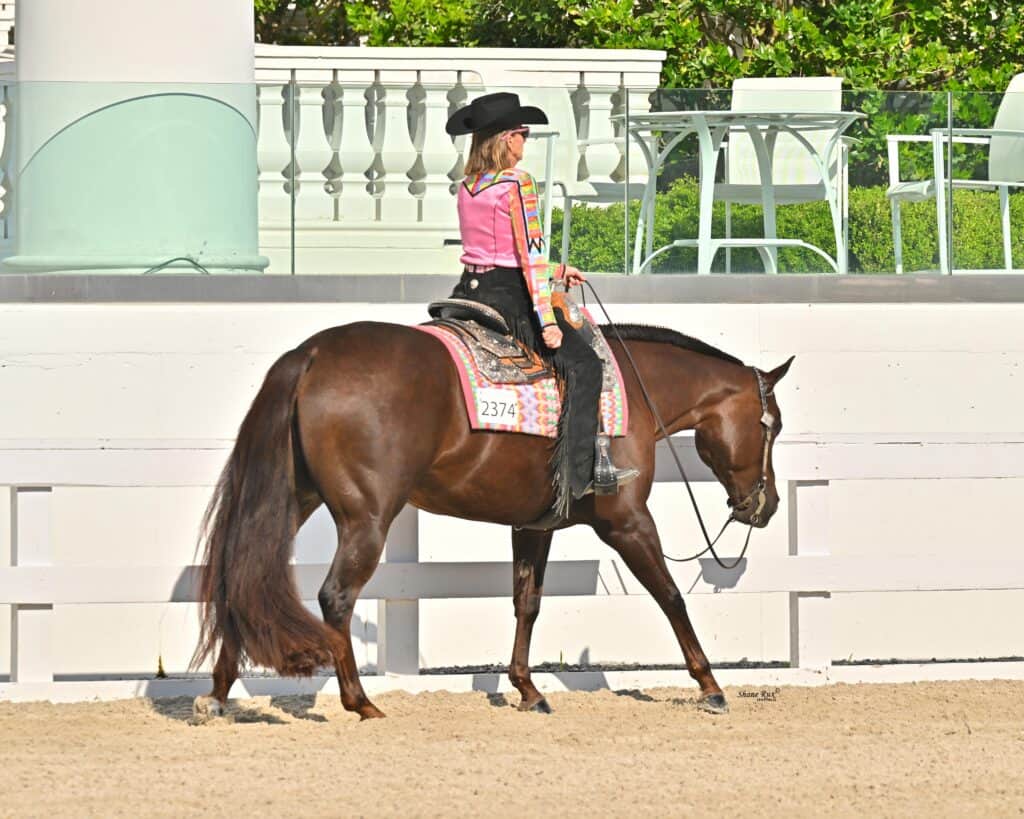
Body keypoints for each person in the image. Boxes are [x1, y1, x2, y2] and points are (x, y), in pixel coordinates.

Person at [444, 91, 638, 515]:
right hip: (511, 297)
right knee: (585, 366)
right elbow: (526, 255)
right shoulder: (519, 183)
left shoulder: (469, 186)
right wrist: (547, 317)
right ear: (505, 139)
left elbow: (493, 252)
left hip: (468, 291)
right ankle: (580, 475)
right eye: (522, 133)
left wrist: (555, 270)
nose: (525, 142)